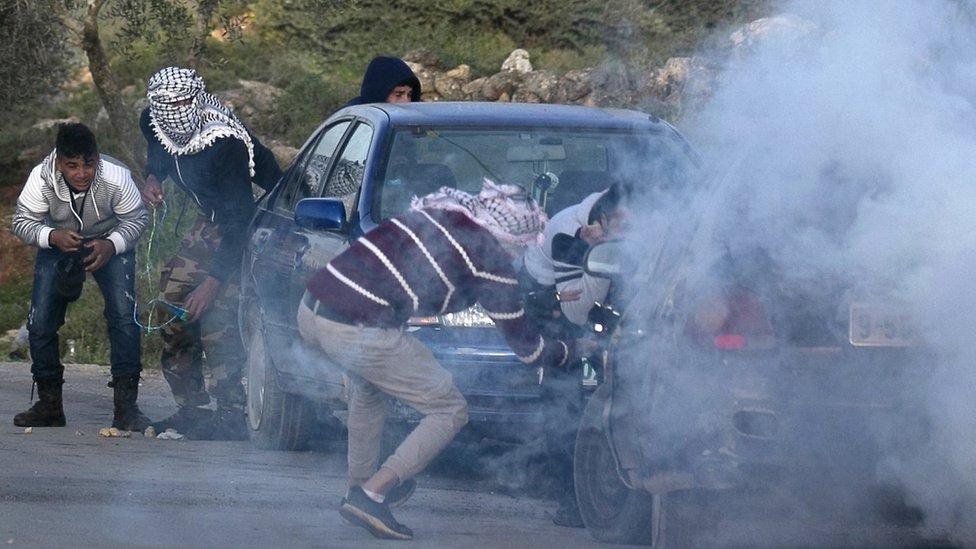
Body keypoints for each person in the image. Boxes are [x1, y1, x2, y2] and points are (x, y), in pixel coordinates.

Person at [297, 180, 586, 540]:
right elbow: (529, 351)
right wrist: (575, 350)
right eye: (521, 244)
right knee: (449, 408)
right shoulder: (489, 259)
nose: (519, 253)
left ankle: (358, 490)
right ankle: (373, 492)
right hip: (357, 330)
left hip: (313, 310)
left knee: (371, 388)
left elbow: (476, 286)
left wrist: (538, 296)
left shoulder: (444, 217)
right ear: (508, 235)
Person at [139, 66, 282, 439]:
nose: (176, 113)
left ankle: (232, 413)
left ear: (197, 99)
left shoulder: (225, 144)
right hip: (207, 224)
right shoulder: (153, 121)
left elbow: (240, 219)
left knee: (219, 318)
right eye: (167, 107)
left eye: (184, 103)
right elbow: (157, 150)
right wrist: (153, 178)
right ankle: (192, 408)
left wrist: (213, 282)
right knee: (172, 306)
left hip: (243, 226)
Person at [11, 123, 149, 430]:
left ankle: (126, 409)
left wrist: (112, 245)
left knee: (125, 317)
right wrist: (51, 236)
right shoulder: (41, 177)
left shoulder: (116, 176)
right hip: (56, 240)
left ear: (97, 158)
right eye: (72, 166)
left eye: (88, 164)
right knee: (41, 320)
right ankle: (49, 406)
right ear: (59, 162)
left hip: (111, 240)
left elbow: (138, 219)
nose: (82, 173)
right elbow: (21, 222)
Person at [520, 182, 632, 527]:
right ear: (599, 219)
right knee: (565, 397)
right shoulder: (568, 235)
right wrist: (600, 255)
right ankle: (569, 499)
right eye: (623, 226)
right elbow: (577, 311)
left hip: (600, 300)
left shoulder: (627, 224)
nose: (633, 233)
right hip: (551, 301)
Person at [344, 56, 421, 106]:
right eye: (398, 94)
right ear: (379, 93)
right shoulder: (353, 115)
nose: (406, 101)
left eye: (409, 95)